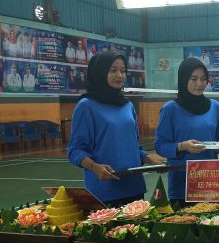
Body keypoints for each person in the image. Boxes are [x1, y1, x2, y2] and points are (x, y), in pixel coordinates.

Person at [67, 52, 165, 207]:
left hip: (134, 188)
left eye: (123, 70)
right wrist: (95, 167)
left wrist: (148, 159)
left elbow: (133, 145)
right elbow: (74, 151)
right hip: (104, 192)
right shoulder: (86, 106)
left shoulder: (127, 106)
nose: (119, 75)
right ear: (100, 72)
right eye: (113, 70)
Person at [155, 58, 219, 206]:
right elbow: (160, 146)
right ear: (183, 79)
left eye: (203, 79)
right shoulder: (170, 109)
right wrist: (182, 146)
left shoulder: (215, 107)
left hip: (209, 182)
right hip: (181, 184)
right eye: (193, 79)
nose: (199, 84)